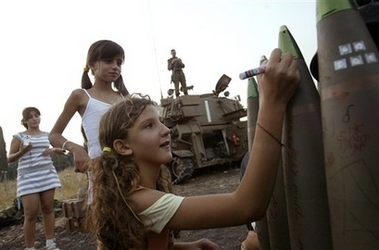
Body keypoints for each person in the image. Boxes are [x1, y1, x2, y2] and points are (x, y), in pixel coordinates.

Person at [87, 47, 300, 250]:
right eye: (149, 126)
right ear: (123, 147)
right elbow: (246, 206)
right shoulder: (143, 201)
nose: (165, 130)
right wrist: (272, 102)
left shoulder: (133, 195)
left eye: (161, 121)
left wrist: (183, 246)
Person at [48, 39, 129, 174]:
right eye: (108, 61)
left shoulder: (125, 99)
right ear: (92, 65)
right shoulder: (81, 96)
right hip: (100, 170)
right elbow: (54, 135)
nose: (115, 66)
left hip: (130, 166)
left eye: (119, 62)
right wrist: (76, 148)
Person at [8, 107, 65, 250]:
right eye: (31, 117)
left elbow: (63, 151)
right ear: (25, 121)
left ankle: (50, 243)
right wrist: (23, 151)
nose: (34, 118)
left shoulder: (48, 135)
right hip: (27, 176)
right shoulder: (19, 136)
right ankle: (30, 247)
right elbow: (10, 158)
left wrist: (54, 150)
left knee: (48, 208)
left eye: (37, 115)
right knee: (31, 213)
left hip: (47, 173)